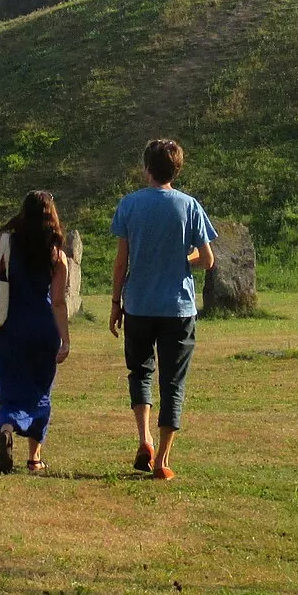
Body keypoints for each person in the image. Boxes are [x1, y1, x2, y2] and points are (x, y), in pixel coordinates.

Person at [110, 139, 218, 481]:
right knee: (173, 381)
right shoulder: (189, 206)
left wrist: (116, 303)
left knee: (140, 372)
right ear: (177, 170)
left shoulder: (130, 205)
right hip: (178, 308)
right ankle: (163, 461)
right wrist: (183, 258)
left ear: (147, 169)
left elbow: (121, 261)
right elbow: (208, 259)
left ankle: (145, 439)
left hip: (139, 304)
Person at [0, 190, 73, 474]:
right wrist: (65, 339)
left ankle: (7, 426)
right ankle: (34, 458)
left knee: (10, 390)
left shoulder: (5, 243)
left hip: (9, 330)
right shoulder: (56, 254)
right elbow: (59, 302)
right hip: (42, 329)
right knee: (40, 393)